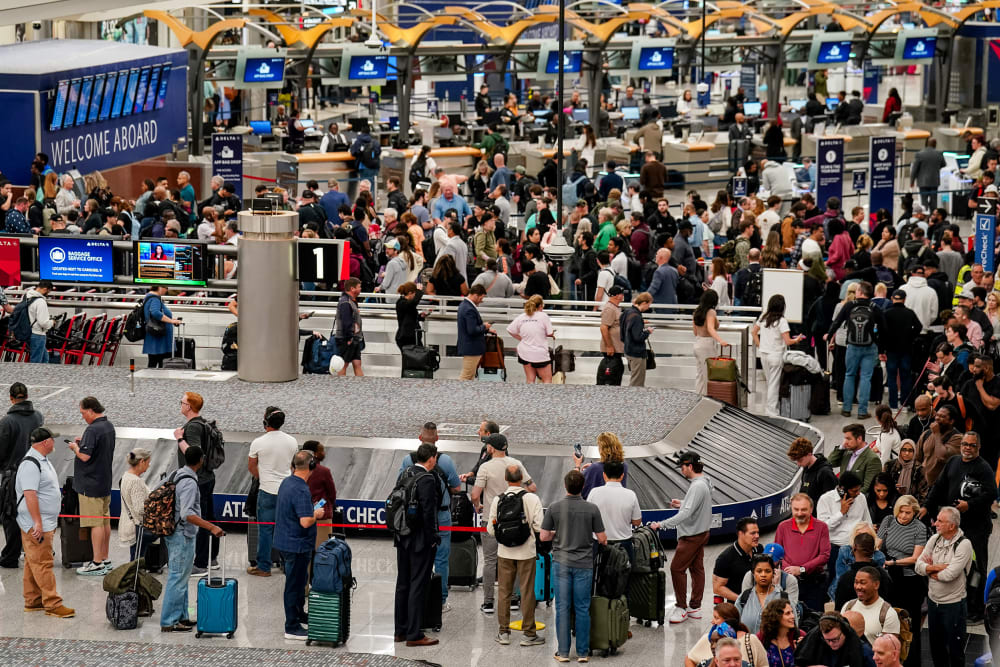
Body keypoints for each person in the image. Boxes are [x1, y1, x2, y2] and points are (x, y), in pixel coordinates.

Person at [921, 431, 997, 622]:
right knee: (955, 565)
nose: (967, 448)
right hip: (954, 528)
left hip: (976, 529)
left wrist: (969, 505)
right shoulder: (953, 462)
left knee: (976, 568)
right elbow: (939, 486)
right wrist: (926, 506)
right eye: (964, 444)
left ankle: (977, 609)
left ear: (978, 447)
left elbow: (991, 494)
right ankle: (959, 602)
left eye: (972, 445)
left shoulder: (984, 468)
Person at [540, 468, 607, 663]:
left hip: (561, 563)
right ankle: (583, 652)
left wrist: (557, 533)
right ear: (583, 486)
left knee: (562, 607)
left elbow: (543, 536)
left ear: (565, 486)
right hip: (584, 564)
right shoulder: (592, 508)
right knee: (582, 608)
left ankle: (563, 652)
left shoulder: (554, 507)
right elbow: (602, 538)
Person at [159, 446, 225, 632]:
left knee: (182, 577)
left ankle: (182, 617)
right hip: (181, 535)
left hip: (175, 532)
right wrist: (211, 527)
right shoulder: (189, 482)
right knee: (177, 577)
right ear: (201, 460)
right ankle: (169, 621)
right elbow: (187, 514)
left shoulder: (176, 473)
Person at [398, 424, 460, 613]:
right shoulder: (446, 461)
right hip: (441, 515)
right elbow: (456, 488)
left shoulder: (408, 460)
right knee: (441, 558)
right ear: (437, 438)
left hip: (414, 516)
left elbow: (400, 485)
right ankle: (440, 600)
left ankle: (415, 597)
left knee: (415, 557)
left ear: (420, 438)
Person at [471, 433, 535, 614]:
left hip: (491, 520)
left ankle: (488, 602)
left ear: (491, 448)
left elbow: (475, 495)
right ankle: (514, 599)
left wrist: (478, 506)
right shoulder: (516, 464)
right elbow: (532, 487)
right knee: (513, 558)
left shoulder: (485, 467)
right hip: (514, 521)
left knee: (490, 561)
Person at [16, 427, 74, 618]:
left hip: (43, 521)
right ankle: (53, 603)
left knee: (32, 561)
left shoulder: (41, 460)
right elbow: (30, 495)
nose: (54, 442)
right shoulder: (31, 464)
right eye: (52, 439)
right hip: (36, 523)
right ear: (45, 442)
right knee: (43, 563)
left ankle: (33, 600)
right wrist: (37, 523)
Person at [487, 464, 545, 647]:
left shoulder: (498, 500)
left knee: (504, 592)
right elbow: (539, 527)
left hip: (504, 552)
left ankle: (504, 633)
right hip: (527, 552)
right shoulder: (532, 498)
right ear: (521, 478)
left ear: (506, 479)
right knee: (527, 592)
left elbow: (491, 530)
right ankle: (529, 634)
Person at [655, 451, 714, 624]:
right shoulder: (705, 482)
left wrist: (661, 524)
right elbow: (695, 505)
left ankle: (681, 608)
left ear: (690, 466)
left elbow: (686, 514)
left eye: (682, 466)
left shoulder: (697, 486)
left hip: (691, 535)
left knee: (676, 569)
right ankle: (695, 607)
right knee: (697, 569)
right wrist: (682, 503)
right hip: (702, 532)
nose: (681, 470)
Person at [274, 450, 326, 640]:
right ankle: (292, 626)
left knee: (299, 581)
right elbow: (305, 522)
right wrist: (316, 514)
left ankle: (299, 614)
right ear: (311, 466)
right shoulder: (301, 490)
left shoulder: (287, 482)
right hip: (297, 545)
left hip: (285, 541)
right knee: (294, 586)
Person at [393, 443, 442, 647]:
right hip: (420, 540)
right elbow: (429, 513)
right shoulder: (427, 479)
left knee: (402, 583)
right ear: (431, 458)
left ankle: (400, 630)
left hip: (402, 537)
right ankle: (414, 634)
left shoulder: (406, 473)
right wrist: (433, 539)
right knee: (418, 584)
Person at [914, 506, 973, 667]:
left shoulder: (964, 544)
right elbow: (918, 566)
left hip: (954, 605)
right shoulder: (934, 539)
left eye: (940, 521)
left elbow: (950, 575)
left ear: (952, 526)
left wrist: (929, 570)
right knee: (936, 648)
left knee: (955, 650)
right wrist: (936, 567)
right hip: (933, 602)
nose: (935, 524)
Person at [876, 495, 928, 666]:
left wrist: (894, 562)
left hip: (909, 581)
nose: (904, 516)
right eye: (901, 512)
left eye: (908, 513)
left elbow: (916, 558)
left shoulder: (919, 528)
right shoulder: (888, 520)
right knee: (889, 620)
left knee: (910, 624)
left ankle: (911, 661)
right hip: (889, 577)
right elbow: (877, 544)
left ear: (914, 512)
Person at [246, 406, 298, 577]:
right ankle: (287, 565)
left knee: (265, 531)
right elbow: (294, 466)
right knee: (286, 529)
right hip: (286, 491)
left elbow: (251, 466)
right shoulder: (292, 441)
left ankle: (264, 567)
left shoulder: (258, 442)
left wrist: (264, 478)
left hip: (267, 490)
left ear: (266, 421)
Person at [173, 392, 221, 575]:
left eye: (182, 402)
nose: (181, 405)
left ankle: (200, 563)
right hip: (207, 477)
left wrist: (179, 438)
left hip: (197, 479)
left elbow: (194, 452)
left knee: (200, 519)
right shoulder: (204, 423)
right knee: (209, 516)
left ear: (189, 407)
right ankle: (212, 558)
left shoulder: (192, 427)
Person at [68, 396, 115, 576]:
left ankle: (96, 563)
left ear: (90, 410)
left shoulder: (92, 429)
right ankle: (105, 558)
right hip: (104, 481)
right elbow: (98, 449)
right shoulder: (108, 426)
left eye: (83, 413)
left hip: (90, 484)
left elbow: (85, 456)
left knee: (95, 523)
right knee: (104, 521)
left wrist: (75, 447)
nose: (82, 417)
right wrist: (85, 443)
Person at [0, 382, 45, 568]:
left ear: (11, 399)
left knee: (10, 514)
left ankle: (10, 556)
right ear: (26, 396)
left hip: (13, 476)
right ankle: (34, 550)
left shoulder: (7, 422)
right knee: (33, 513)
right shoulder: (38, 417)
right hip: (36, 472)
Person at [825, 281, 885, 419]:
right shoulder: (875, 307)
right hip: (870, 346)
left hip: (852, 346)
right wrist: (881, 349)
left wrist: (829, 335)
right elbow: (884, 329)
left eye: (857, 290)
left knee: (849, 375)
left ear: (861, 292)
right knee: (866, 377)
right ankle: (862, 411)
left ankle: (846, 409)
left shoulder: (849, 305)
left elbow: (837, 322)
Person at [774, 493, 830, 611]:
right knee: (789, 614)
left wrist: (801, 569)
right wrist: (789, 569)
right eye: (796, 509)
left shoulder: (822, 527)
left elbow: (824, 555)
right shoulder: (783, 527)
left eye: (803, 509)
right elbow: (777, 554)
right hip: (788, 581)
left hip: (814, 583)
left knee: (814, 615)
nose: (799, 513)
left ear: (811, 509)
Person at [817, 471, 872, 590]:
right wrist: (841, 513)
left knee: (859, 583)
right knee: (837, 584)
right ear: (842, 489)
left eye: (859, 490)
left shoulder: (861, 498)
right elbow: (822, 528)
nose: (858, 493)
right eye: (854, 491)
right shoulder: (825, 499)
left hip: (858, 548)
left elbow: (867, 521)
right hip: (835, 548)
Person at [753, 295, 805, 417]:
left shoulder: (763, 317)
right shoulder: (782, 321)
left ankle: (769, 409)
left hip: (764, 354)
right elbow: (787, 341)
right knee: (774, 384)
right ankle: (772, 412)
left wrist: (760, 345)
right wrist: (797, 340)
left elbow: (753, 332)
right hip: (776, 355)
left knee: (769, 383)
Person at [586, 460, 641, 565]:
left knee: (598, 574)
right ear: (622, 476)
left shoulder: (594, 493)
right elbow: (637, 522)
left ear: (604, 475)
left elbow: (588, 518)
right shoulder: (631, 495)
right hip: (624, 545)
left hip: (599, 544)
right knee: (625, 574)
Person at [685, 602, 768, 667]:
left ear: (728, 620)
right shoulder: (707, 638)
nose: (712, 621)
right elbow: (689, 659)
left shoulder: (750, 640)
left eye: (716, 618)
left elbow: (764, 664)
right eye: (727, 660)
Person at [882, 289, 922, 411]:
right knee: (906, 377)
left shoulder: (887, 313)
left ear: (892, 299)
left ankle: (893, 404)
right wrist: (910, 337)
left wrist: (882, 348)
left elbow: (882, 331)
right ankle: (905, 404)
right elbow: (919, 327)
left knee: (892, 377)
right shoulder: (909, 313)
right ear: (904, 299)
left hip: (891, 349)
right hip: (906, 349)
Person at [841, 567, 901, 645]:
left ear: (876, 584)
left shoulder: (888, 614)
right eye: (856, 582)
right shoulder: (848, 606)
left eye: (863, 583)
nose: (858, 587)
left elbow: (889, 648)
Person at [737, 554, 793, 633]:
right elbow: (733, 626)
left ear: (773, 573)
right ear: (753, 573)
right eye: (759, 571)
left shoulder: (783, 598)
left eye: (768, 571)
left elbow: (793, 629)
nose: (763, 575)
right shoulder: (744, 598)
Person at [793, 610, 872, 667]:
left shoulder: (863, 650)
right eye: (827, 640)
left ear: (844, 631)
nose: (831, 644)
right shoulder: (815, 644)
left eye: (835, 639)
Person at [713, 517, 763, 603]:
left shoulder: (759, 549)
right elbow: (717, 588)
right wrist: (742, 600)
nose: (757, 536)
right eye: (753, 533)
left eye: (758, 532)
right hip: (738, 606)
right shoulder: (725, 558)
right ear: (741, 534)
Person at [506, 295, 554, 384]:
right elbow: (550, 333)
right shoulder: (543, 316)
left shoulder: (522, 316)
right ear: (540, 306)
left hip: (525, 352)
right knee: (547, 380)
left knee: (530, 380)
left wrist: (521, 339)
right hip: (540, 353)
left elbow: (510, 330)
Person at [119, 447, 153, 563]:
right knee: (137, 562)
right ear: (142, 461)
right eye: (148, 462)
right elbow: (140, 509)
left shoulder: (126, 476)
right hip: (138, 527)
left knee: (135, 559)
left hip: (129, 524)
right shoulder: (136, 482)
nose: (149, 465)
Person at [786, 437, 839, 512]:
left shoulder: (825, 472)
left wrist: (806, 505)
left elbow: (831, 502)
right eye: (796, 461)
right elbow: (804, 493)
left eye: (800, 460)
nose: (798, 464)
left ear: (809, 454)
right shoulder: (806, 468)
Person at [914, 405, 962, 487]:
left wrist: (937, 434)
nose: (937, 418)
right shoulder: (927, 434)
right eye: (937, 415)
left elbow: (942, 456)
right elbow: (916, 458)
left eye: (942, 416)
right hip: (922, 486)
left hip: (941, 488)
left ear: (951, 421)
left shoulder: (958, 438)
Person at [828, 423, 883, 493]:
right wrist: (841, 447)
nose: (845, 442)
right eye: (845, 439)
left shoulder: (872, 459)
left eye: (848, 439)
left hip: (856, 497)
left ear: (859, 439)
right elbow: (830, 463)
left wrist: (849, 496)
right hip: (841, 493)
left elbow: (868, 487)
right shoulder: (846, 452)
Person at [457, 284, 496, 380]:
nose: (481, 301)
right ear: (475, 295)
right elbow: (472, 330)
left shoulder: (464, 306)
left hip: (469, 346)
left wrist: (486, 329)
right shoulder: (469, 309)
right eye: (481, 298)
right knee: (466, 375)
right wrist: (484, 326)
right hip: (472, 348)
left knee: (469, 375)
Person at [693, 290, 728, 395]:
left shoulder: (697, 311)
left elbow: (695, 332)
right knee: (709, 375)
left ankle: (699, 396)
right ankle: (708, 398)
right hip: (707, 344)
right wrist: (721, 340)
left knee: (700, 374)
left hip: (698, 343)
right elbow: (711, 328)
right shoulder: (711, 312)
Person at [141, 285, 181, 368]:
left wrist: (171, 320)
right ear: (160, 287)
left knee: (153, 363)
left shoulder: (149, 297)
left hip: (155, 336)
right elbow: (155, 313)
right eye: (166, 288)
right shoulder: (155, 298)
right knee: (161, 365)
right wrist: (171, 321)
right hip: (159, 338)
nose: (166, 290)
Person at [333, 277, 364, 377]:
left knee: (357, 363)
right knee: (343, 364)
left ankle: (362, 384)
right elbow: (346, 322)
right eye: (359, 287)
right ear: (352, 288)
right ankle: (341, 385)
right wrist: (349, 338)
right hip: (347, 338)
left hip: (354, 338)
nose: (360, 289)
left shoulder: (350, 301)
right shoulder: (345, 302)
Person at [621, 292, 654, 386]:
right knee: (637, 382)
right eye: (648, 305)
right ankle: (633, 396)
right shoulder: (636, 317)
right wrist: (648, 331)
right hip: (637, 353)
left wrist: (640, 323)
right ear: (643, 303)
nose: (648, 307)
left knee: (634, 378)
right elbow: (638, 337)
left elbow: (623, 328)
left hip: (628, 349)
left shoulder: (627, 311)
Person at [23, 280, 54, 364]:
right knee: (36, 362)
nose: (47, 294)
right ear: (45, 289)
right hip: (38, 334)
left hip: (28, 331)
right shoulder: (40, 302)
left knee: (44, 359)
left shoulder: (26, 296)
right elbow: (43, 322)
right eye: (48, 292)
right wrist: (52, 322)